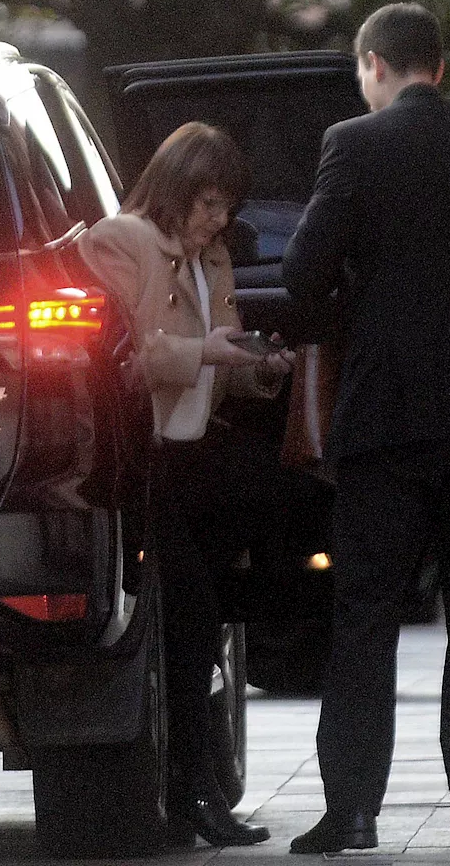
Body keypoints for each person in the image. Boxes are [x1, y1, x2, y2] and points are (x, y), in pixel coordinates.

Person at [282, 2, 450, 854]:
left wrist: (357, 315)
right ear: (437, 67)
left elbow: (300, 272)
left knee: (365, 611)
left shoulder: (354, 145)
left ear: (373, 64)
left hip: (388, 418)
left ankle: (355, 810)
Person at [75, 121, 293, 848]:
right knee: (194, 620)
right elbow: (120, 359)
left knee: (208, 624)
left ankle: (196, 792)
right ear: (175, 189)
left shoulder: (214, 261)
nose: (218, 219)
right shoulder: (125, 240)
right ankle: (191, 793)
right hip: (147, 463)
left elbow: (215, 371)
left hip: (198, 460)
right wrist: (205, 351)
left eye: (226, 205)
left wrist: (256, 369)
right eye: (207, 202)